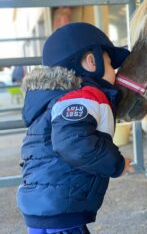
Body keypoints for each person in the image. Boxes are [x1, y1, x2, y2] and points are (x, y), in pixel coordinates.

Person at [17, 22, 135, 234]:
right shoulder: (82, 97)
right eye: (110, 65)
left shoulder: (53, 99)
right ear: (92, 62)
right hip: (60, 206)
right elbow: (74, 143)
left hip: (45, 204)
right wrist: (117, 164)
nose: (115, 74)